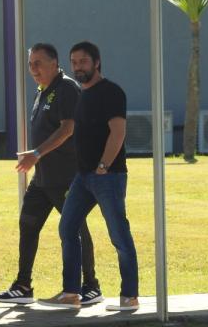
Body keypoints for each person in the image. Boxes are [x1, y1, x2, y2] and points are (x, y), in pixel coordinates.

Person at [0, 43, 102, 306]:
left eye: (38, 63)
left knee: (74, 229)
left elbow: (68, 129)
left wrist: (36, 154)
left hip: (66, 177)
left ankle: (91, 286)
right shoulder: (42, 92)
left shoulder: (66, 89)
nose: (33, 69)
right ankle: (22, 286)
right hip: (42, 180)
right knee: (27, 225)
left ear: (55, 63)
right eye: (30, 64)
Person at [38, 41, 139, 311]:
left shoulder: (112, 92)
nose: (77, 67)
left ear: (96, 62)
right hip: (83, 178)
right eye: (74, 62)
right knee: (67, 227)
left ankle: (129, 297)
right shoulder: (82, 95)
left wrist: (104, 166)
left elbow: (118, 133)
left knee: (119, 234)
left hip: (109, 176)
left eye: (83, 61)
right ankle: (71, 293)